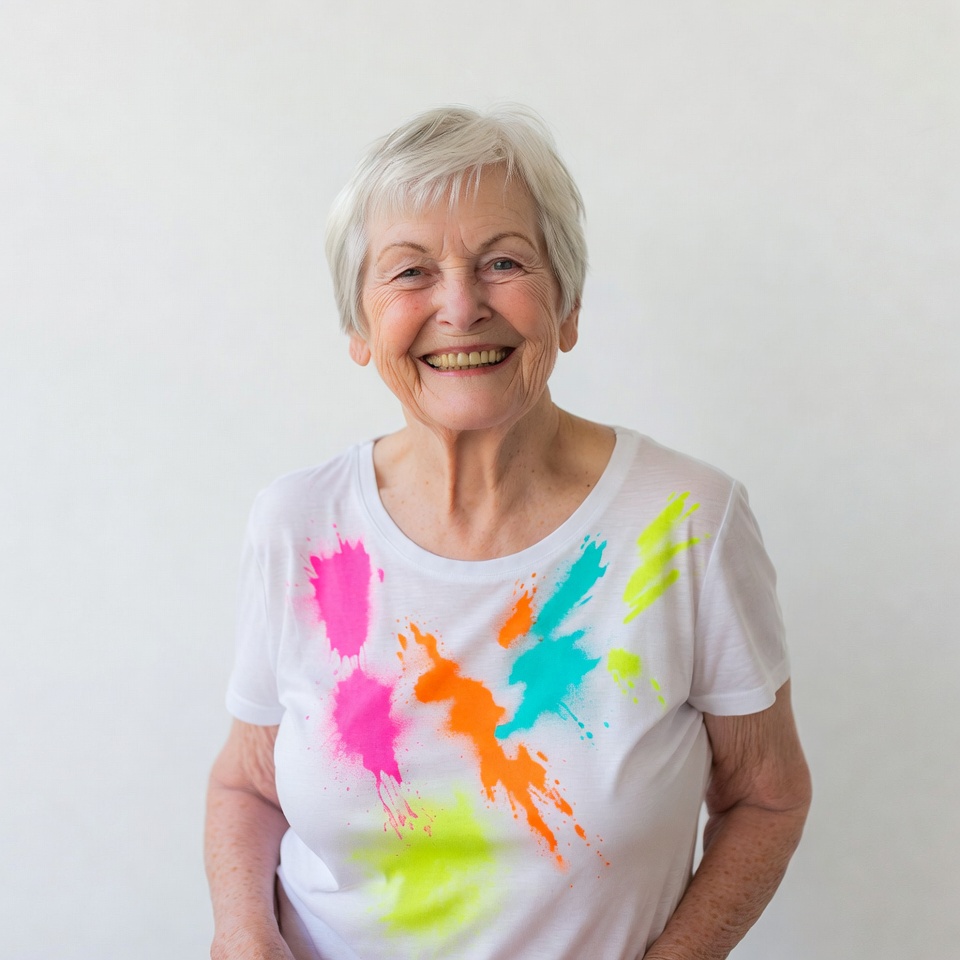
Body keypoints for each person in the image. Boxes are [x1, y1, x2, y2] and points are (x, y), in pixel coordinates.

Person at [204, 105, 811, 960]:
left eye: (503, 262)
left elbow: (767, 797)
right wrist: (241, 934)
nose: (460, 306)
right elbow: (248, 782)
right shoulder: (300, 524)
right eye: (409, 272)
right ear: (359, 328)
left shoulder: (686, 523)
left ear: (564, 305)